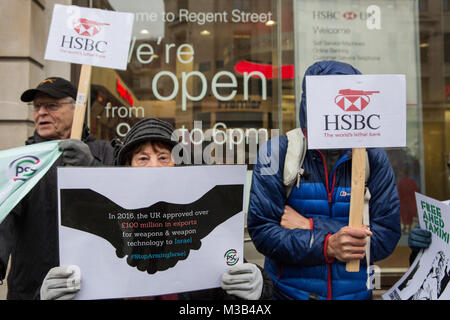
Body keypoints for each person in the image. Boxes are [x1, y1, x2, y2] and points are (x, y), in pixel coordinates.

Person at [40, 117, 273, 300]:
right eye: (143, 159)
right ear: (127, 168)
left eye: (163, 157)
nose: (154, 167)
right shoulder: (93, 224)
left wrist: (257, 287)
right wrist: (52, 295)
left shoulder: (204, 218)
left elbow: (230, 287)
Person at [247, 60, 401, 300]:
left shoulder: (373, 157)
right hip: (289, 295)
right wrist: (327, 245)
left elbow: (387, 236)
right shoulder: (276, 152)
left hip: (356, 296)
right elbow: (263, 232)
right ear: (309, 102)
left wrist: (312, 227)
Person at [0, 77, 115, 300]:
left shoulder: (105, 152)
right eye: (37, 107)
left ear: (77, 108)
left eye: (51, 106)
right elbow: (5, 215)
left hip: (96, 287)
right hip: (34, 289)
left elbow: (123, 204)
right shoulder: (23, 162)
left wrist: (92, 167)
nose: (41, 112)